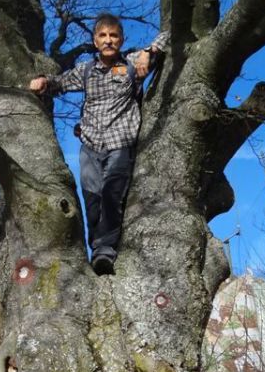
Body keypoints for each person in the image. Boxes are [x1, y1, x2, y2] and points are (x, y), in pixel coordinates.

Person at [29, 14, 168, 275]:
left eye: (113, 36)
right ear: (95, 40)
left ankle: (105, 252)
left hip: (120, 143)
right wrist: (44, 82)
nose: (108, 41)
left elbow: (169, 34)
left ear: (121, 39)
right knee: (92, 200)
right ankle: (97, 246)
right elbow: (60, 82)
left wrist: (150, 52)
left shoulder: (131, 62)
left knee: (112, 195)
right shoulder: (86, 70)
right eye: (103, 36)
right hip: (91, 145)